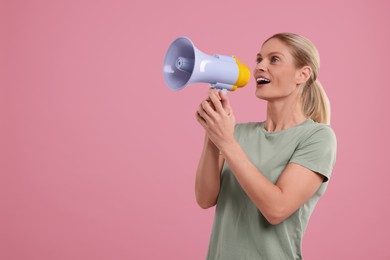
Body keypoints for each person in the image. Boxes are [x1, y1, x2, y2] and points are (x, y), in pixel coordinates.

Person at [195, 32, 337, 260]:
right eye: (258, 59)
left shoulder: (318, 137)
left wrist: (226, 142)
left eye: (274, 59)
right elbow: (205, 198)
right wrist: (213, 134)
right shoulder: (237, 132)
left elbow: (276, 209)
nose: (260, 66)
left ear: (303, 74)